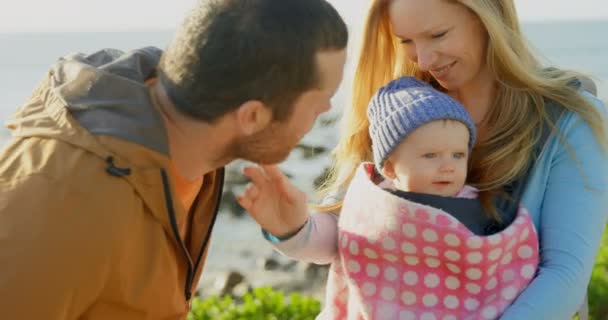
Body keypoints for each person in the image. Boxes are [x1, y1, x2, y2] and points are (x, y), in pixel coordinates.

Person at [238, 0, 608, 319]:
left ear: (487, 16)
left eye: (438, 35)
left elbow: (563, 273)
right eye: (407, 42)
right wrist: (289, 228)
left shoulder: (569, 119)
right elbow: (348, 234)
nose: (425, 59)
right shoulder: (401, 110)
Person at [0, 0, 347, 319]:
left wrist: (297, 233)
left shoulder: (191, 160)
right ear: (252, 115)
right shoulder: (67, 205)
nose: (329, 110)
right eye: (321, 100)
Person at [241, 76, 541, 319]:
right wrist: (290, 229)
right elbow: (338, 241)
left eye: (458, 154)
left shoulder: (482, 203)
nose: (447, 165)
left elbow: (502, 256)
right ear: (389, 166)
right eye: (430, 155)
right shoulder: (371, 202)